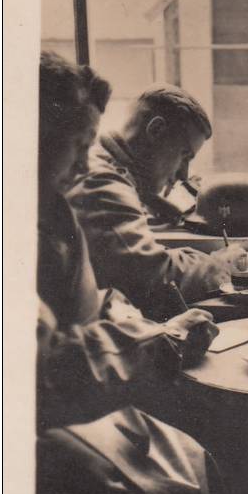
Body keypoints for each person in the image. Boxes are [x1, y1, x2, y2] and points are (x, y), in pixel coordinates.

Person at [36, 51, 231, 494]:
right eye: (77, 145)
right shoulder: (93, 182)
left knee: (197, 458)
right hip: (40, 424)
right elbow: (148, 275)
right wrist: (160, 339)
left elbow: (93, 292)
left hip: (76, 381)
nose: (84, 162)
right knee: (180, 483)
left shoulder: (55, 196)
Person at [68, 84, 233, 319]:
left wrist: (147, 196)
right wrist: (220, 266)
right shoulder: (102, 185)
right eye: (184, 155)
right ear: (156, 129)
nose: (183, 175)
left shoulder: (104, 169)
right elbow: (153, 277)